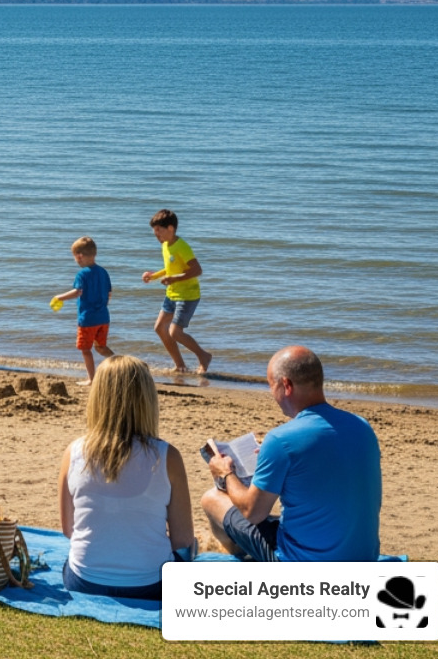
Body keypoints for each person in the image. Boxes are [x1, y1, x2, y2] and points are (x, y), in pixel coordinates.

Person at [201, 346, 381, 563]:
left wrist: (226, 473)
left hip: (303, 564)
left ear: (286, 385)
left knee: (212, 498)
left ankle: (238, 558)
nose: (272, 394)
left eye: (271, 385)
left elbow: (253, 512)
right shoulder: (362, 427)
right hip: (363, 557)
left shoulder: (280, 440)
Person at [57, 355, 195, 600]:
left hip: (84, 580)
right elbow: (182, 538)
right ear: (147, 400)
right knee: (189, 550)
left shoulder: (73, 452)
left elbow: (69, 529)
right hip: (151, 585)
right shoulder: (167, 457)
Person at [141, 209, 212, 373]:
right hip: (172, 294)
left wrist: (174, 279)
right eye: (154, 230)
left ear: (171, 228)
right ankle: (180, 365)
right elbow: (170, 268)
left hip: (187, 296)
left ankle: (204, 356)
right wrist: (154, 276)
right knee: (160, 328)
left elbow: (197, 270)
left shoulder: (182, 246)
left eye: (159, 230)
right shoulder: (166, 245)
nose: (155, 234)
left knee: (175, 332)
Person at [50, 236, 114, 383]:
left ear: (79, 256)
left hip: (88, 319)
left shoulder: (82, 274)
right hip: (104, 317)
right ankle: (119, 362)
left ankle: (91, 378)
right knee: (101, 347)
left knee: (86, 350)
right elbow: (109, 293)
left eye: (75, 257)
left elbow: (77, 292)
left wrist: (59, 297)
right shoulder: (103, 272)